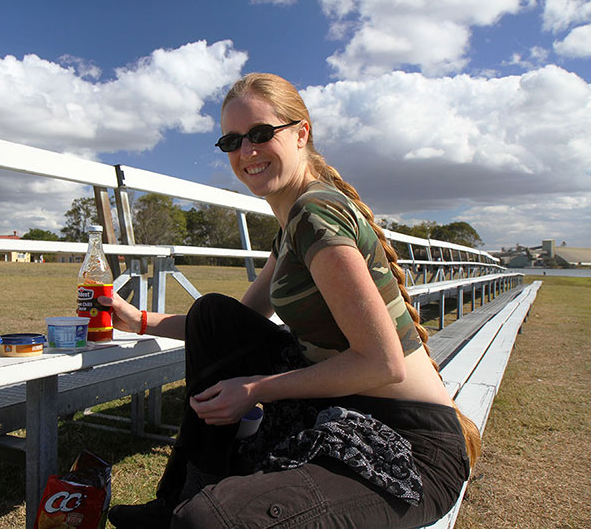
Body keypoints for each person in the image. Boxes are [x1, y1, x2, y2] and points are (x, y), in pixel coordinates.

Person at [102, 72, 480, 528]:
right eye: (232, 141)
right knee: (214, 315)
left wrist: (256, 389)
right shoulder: (290, 228)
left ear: (302, 133)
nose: (247, 152)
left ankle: (195, 508)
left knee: (208, 523)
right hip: (341, 411)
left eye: (261, 134)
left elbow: (383, 365)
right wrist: (137, 319)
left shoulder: (315, 214)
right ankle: (181, 495)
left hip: (407, 449)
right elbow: (232, 325)